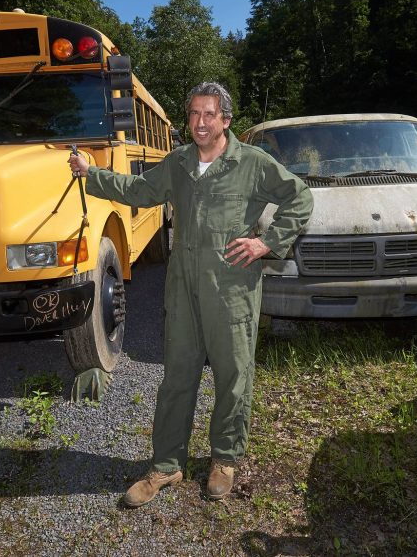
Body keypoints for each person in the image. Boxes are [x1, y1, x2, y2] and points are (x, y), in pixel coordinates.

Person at [68, 81, 312, 507]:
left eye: (209, 114)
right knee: (177, 376)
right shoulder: (178, 161)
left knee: (233, 376)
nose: (200, 122)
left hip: (232, 288)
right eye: (194, 114)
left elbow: (300, 197)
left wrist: (266, 242)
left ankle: (224, 458)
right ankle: (166, 464)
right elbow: (139, 192)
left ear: (225, 120)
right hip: (182, 289)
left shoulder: (252, 163)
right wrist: (92, 176)